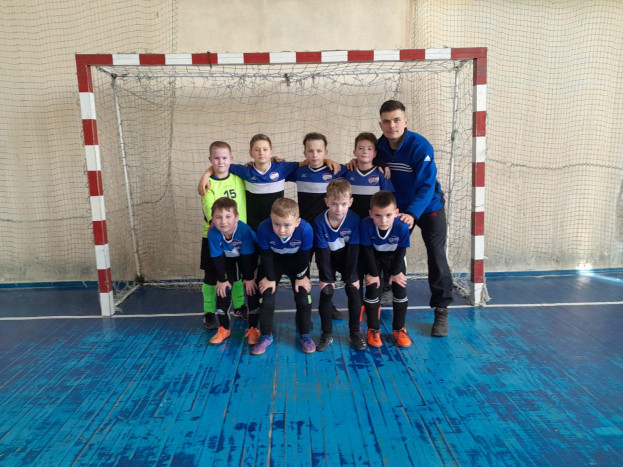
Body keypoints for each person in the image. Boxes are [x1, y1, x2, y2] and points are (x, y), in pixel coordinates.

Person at [375, 99, 453, 337]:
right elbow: (369, 158)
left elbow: (427, 185)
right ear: (381, 124)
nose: (392, 125)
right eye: (387, 121)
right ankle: (387, 286)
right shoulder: (380, 145)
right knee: (387, 248)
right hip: (400, 208)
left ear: (405, 121)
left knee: (436, 254)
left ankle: (441, 309)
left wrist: (412, 213)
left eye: (397, 120)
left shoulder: (420, 146)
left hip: (428, 207)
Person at [290, 132, 346, 320]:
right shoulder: (298, 171)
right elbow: (274, 167)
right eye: (310, 151)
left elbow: (358, 168)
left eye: (319, 151)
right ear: (304, 153)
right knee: (301, 269)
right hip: (304, 232)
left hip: (325, 231)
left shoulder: (335, 170)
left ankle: (328, 305)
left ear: (326, 152)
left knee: (326, 269)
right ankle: (302, 309)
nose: (315, 154)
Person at [198, 134, 300, 231]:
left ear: (271, 152)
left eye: (265, 149)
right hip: (253, 225)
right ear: (251, 153)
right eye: (257, 150)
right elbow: (222, 165)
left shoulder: (282, 168)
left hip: (276, 224)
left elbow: (304, 164)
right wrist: (205, 176)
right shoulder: (245, 171)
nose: (261, 153)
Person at [252, 198, 315, 355]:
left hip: (297, 262)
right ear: (270, 219)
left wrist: (301, 276)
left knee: (303, 296)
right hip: (273, 261)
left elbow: (305, 256)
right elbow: (265, 255)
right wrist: (270, 278)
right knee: (266, 296)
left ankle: (305, 335)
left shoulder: (306, 229)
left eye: (287, 225)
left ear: (297, 222)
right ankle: (266, 336)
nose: (281, 230)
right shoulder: (263, 228)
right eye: (277, 224)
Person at [199, 141, 249, 330]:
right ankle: (208, 312)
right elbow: (211, 213)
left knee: (237, 274)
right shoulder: (208, 184)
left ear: (231, 159)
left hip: (239, 236)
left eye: (224, 158)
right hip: (214, 237)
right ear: (210, 159)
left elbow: (259, 169)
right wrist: (206, 175)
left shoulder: (238, 178)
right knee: (211, 275)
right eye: (216, 158)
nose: (221, 162)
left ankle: (239, 307)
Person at [313, 178, 366, 351]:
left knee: (354, 290)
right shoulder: (319, 221)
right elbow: (322, 252)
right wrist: (326, 278)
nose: (339, 209)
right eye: (334, 204)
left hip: (348, 259)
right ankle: (326, 334)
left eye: (343, 204)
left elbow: (354, 250)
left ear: (350, 202)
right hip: (328, 259)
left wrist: (352, 277)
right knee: (326, 291)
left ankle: (355, 334)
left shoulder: (354, 219)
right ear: (326, 201)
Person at [360, 191, 412, 348]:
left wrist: (396, 273)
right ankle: (373, 330)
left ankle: (399, 329)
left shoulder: (402, 226)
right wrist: (373, 273)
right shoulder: (366, 224)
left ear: (396, 213)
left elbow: (401, 250)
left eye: (388, 215)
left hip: (395, 259)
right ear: (371, 214)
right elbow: (367, 250)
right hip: (374, 258)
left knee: (400, 288)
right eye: (378, 215)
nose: (383, 221)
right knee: (372, 289)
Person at [206, 197, 260, 345]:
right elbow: (217, 258)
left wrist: (249, 278)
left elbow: (247, 257)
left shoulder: (244, 230)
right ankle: (224, 328)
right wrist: (222, 280)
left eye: (228, 216)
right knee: (223, 290)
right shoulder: (213, 233)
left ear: (236, 217)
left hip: (249, 257)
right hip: (228, 259)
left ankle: (253, 328)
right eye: (218, 217)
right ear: (213, 219)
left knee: (251, 289)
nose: (223, 221)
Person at [345, 132, 394, 219]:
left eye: (369, 149)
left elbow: (388, 200)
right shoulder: (348, 172)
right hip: (352, 221)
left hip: (374, 221)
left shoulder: (381, 174)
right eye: (361, 148)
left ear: (375, 153)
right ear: (354, 152)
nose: (365, 152)